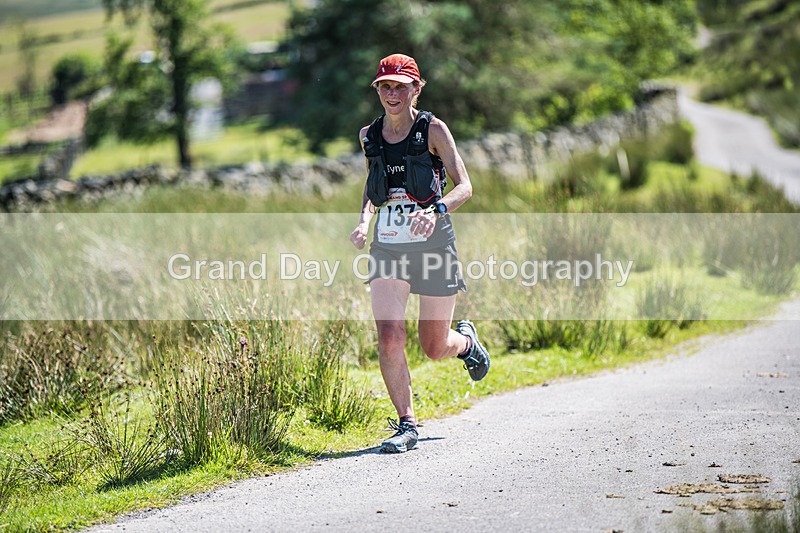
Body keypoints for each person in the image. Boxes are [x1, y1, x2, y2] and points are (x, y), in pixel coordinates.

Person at [349, 53, 490, 453]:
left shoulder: (433, 129)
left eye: (400, 86)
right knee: (390, 334)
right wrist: (363, 220)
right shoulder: (369, 135)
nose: (392, 94)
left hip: (433, 242)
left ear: (416, 88)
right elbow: (371, 184)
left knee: (433, 347)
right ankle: (406, 423)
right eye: (385, 87)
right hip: (388, 245)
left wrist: (436, 210)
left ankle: (465, 344)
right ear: (378, 90)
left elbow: (465, 186)